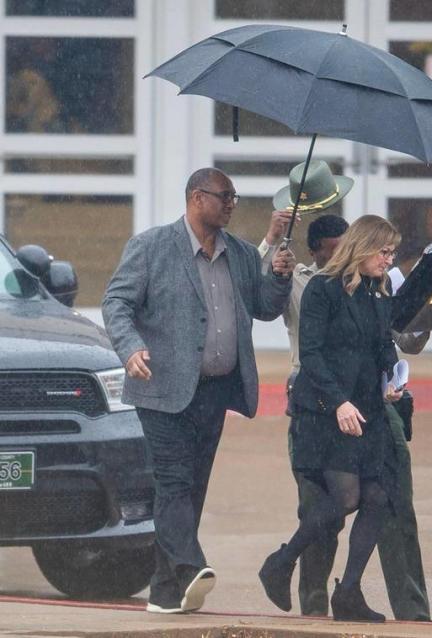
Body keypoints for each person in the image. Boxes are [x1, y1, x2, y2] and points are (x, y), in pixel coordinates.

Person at [101, 168, 294, 614]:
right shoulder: (151, 247)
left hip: (215, 391)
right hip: (161, 388)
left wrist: (280, 277)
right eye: (224, 196)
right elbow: (116, 302)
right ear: (195, 197)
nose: (231, 204)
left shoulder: (242, 255)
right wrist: (130, 348)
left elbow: (264, 308)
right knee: (173, 483)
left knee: (194, 488)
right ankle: (190, 566)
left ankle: (166, 592)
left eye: (235, 197)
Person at [258, 215, 403, 623]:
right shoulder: (323, 290)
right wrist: (338, 402)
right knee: (345, 498)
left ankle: (350, 592)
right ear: (363, 246)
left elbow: (383, 346)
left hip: (365, 411)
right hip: (326, 410)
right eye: (384, 251)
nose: (389, 260)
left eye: (392, 252)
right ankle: (280, 562)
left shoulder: (379, 291)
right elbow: (313, 354)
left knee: (378, 498)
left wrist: (393, 378)